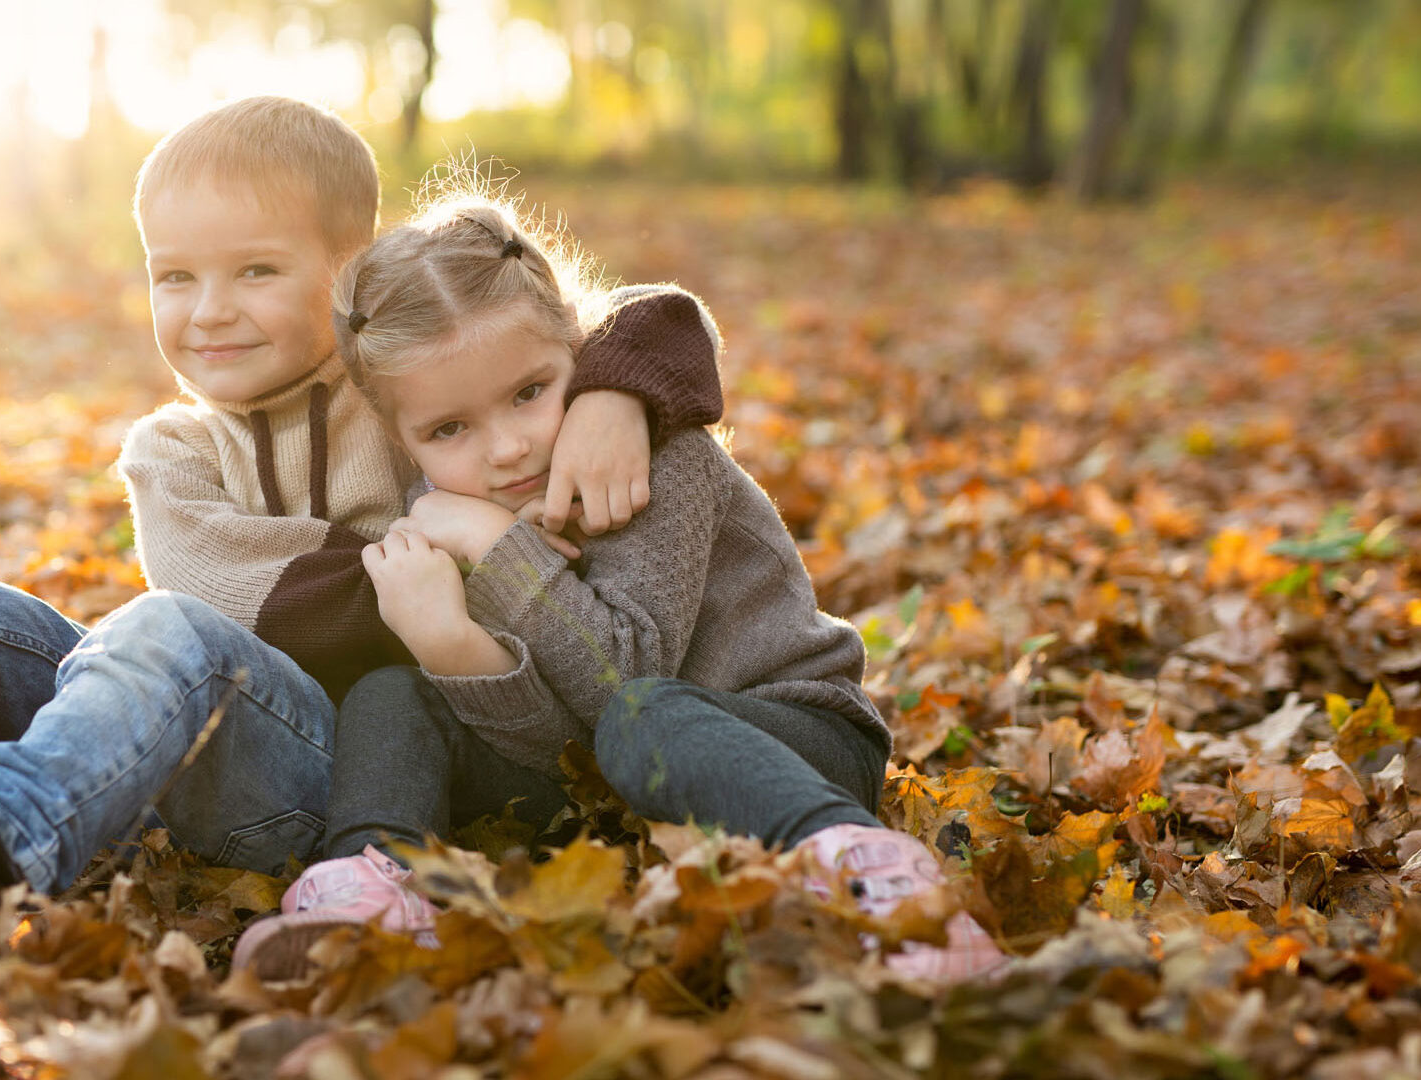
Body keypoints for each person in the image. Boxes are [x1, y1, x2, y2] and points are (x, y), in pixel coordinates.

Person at [0, 97, 727, 919]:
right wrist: (420, 547)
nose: (208, 310)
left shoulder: (417, 393)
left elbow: (646, 314)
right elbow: (256, 605)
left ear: (357, 276)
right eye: (175, 276)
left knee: (164, 637)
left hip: (347, 779)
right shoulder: (169, 455)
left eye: (257, 271)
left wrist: (616, 397)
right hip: (204, 723)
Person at [228, 191, 1006, 984]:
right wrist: (454, 649)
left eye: (531, 392)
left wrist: (498, 549)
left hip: (790, 742)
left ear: (578, 346)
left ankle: (870, 879)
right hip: (618, 774)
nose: (507, 448)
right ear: (400, 438)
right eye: (448, 430)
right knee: (393, 693)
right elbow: (568, 748)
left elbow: (624, 683)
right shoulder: (437, 512)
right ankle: (372, 895)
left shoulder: (656, 459)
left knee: (647, 714)